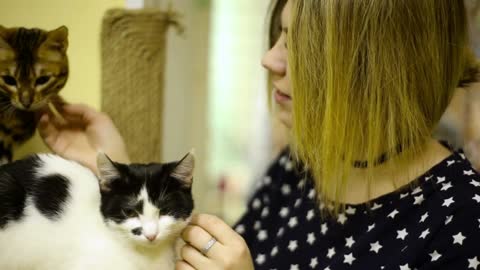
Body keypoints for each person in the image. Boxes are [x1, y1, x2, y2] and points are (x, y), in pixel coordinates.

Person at [38, 0, 480, 269]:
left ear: (379, 67)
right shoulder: (297, 167)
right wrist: (124, 174)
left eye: (297, 45)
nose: (269, 59)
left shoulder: (461, 219)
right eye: (279, 36)